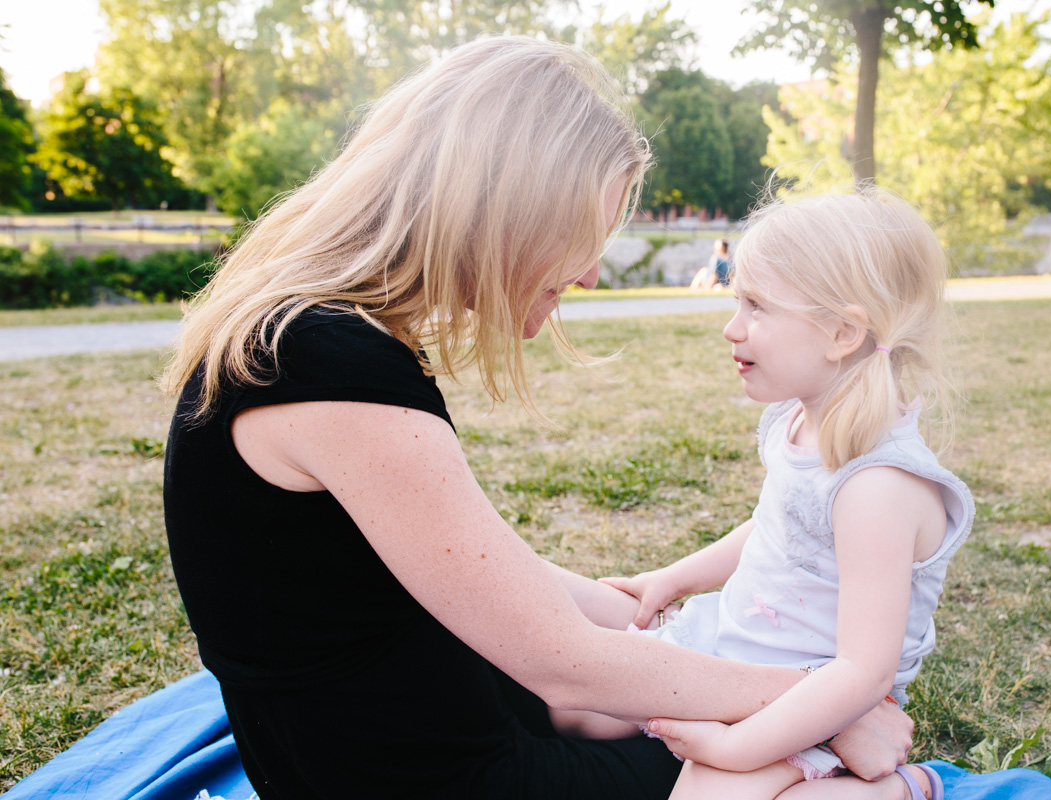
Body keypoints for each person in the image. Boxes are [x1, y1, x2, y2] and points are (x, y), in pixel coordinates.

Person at [159, 38, 913, 800]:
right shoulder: (328, 367)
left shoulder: (313, 337)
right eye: (581, 233)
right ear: (504, 209)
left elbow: (480, 575)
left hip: (424, 720)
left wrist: (628, 606)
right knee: (766, 771)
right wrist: (820, 701)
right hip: (433, 777)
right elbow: (559, 660)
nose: (588, 273)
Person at [598, 191, 974, 800]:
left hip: (825, 704)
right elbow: (776, 529)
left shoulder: (878, 487)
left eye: (757, 306)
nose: (732, 327)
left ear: (842, 332)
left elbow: (862, 670)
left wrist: (732, 748)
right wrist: (674, 577)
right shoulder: (797, 420)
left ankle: (905, 790)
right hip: (737, 652)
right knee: (580, 705)